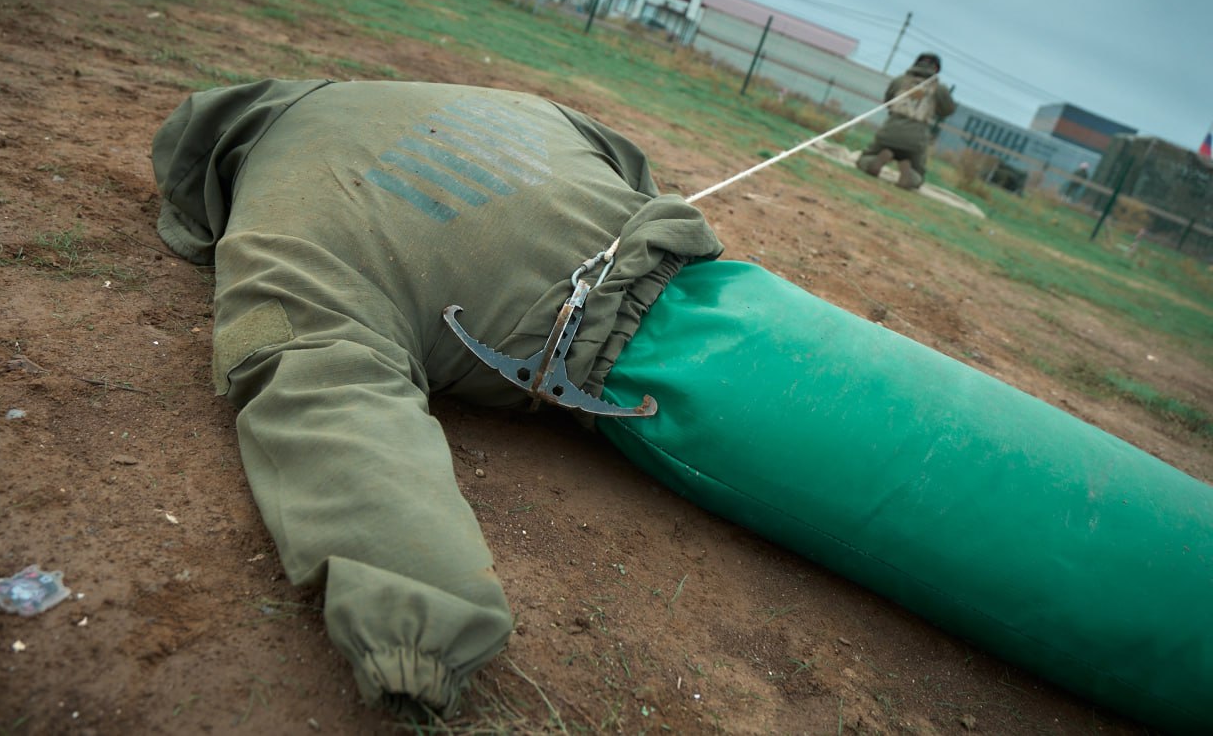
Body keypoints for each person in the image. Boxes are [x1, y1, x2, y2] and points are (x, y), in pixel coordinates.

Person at [151, 79, 1212, 731]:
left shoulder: (283, 222)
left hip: (666, 371)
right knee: (1039, 478)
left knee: (1010, 518)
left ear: (217, 176)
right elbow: (618, 158)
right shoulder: (467, 96)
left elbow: (326, 396)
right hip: (730, 294)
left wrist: (413, 628)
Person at [857, 52, 956, 190]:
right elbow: (948, 111)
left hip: (889, 133)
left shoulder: (899, 81)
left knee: (864, 159)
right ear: (936, 69)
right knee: (918, 175)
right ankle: (908, 172)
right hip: (916, 140)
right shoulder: (939, 89)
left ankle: (875, 162)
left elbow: (888, 101)